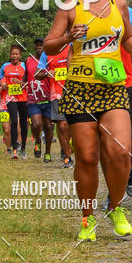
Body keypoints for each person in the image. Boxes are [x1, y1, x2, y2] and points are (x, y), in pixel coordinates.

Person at [43, 0, 132, 242]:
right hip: (79, 89)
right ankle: (87, 218)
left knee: (121, 151)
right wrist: (67, 38)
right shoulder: (70, 7)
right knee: (86, 158)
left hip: (113, 87)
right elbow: (49, 45)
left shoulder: (119, 4)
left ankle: (115, 207)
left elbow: (126, 35)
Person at [103, 0, 132, 198]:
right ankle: (113, 190)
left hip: (125, 82)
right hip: (97, 85)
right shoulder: (83, 12)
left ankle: (129, 169)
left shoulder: (125, 10)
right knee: (109, 144)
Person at [36, 39, 73, 167]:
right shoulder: (47, 53)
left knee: (72, 125)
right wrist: (47, 73)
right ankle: (67, 156)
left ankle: (67, 146)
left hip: (75, 92)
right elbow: (37, 74)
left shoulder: (73, 47)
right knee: (62, 125)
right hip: (56, 93)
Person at [26, 39, 54, 160]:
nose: (39, 47)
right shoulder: (28, 60)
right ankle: (37, 141)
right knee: (36, 124)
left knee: (48, 126)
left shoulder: (50, 58)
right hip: (33, 98)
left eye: (41, 45)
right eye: (36, 45)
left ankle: (47, 153)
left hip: (48, 97)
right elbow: (25, 76)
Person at [0, 44, 28, 160]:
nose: (14, 56)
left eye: (16, 54)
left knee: (23, 123)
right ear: (10, 55)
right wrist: (3, 85)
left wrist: (21, 83)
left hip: (23, 97)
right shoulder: (5, 66)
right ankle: (14, 150)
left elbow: (29, 81)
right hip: (10, 98)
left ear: (20, 56)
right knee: (14, 122)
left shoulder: (24, 66)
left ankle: (23, 148)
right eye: (12, 54)